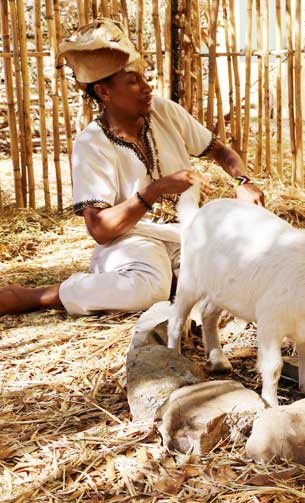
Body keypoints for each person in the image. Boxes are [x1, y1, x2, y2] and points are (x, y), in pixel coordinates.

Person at [0, 18, 265, 316]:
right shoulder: (92, 143)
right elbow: (100, 229)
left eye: (143, 77)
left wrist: (243, 182)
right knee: (148, 289)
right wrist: (154, 190)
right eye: (133, 81)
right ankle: (41, 296)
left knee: (247, 270)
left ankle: (178, 280)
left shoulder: (163, 111)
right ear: (104, 92)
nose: (146, 87)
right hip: (131, 241)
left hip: (185, 234)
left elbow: (219, 150)